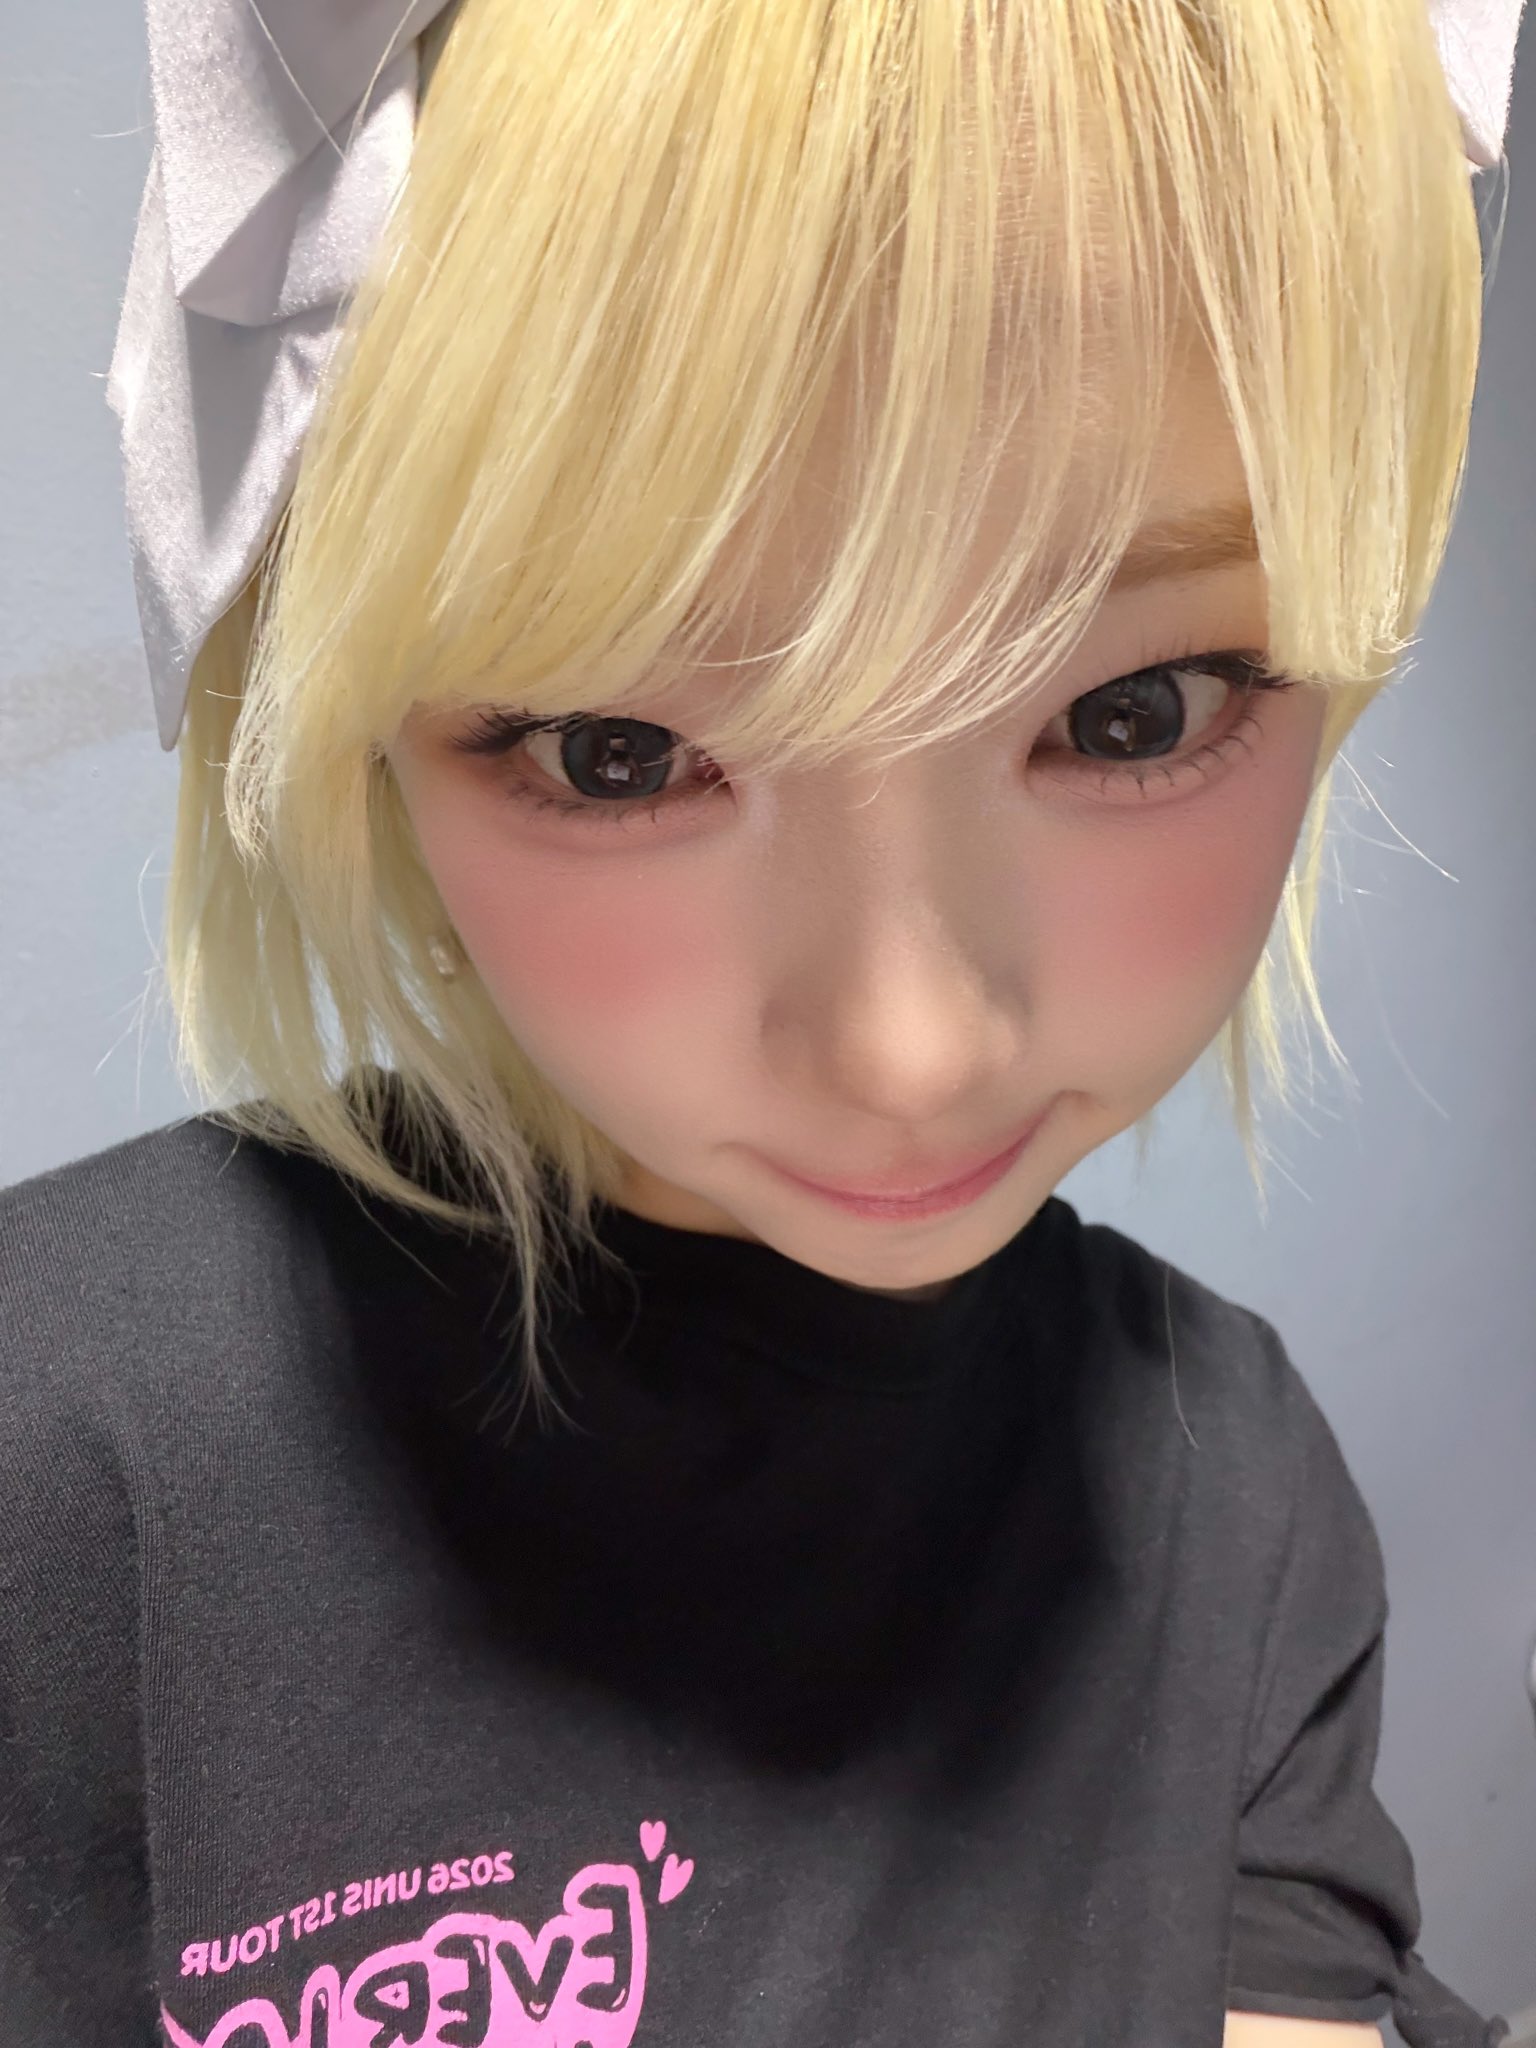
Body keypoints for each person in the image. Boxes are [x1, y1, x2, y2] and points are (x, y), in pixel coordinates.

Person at [1, 0, 1524, 2043]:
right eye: (619, 751)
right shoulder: (60, 1449)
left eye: (1133, 714)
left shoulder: (1228, 1487)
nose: (912, 1049)